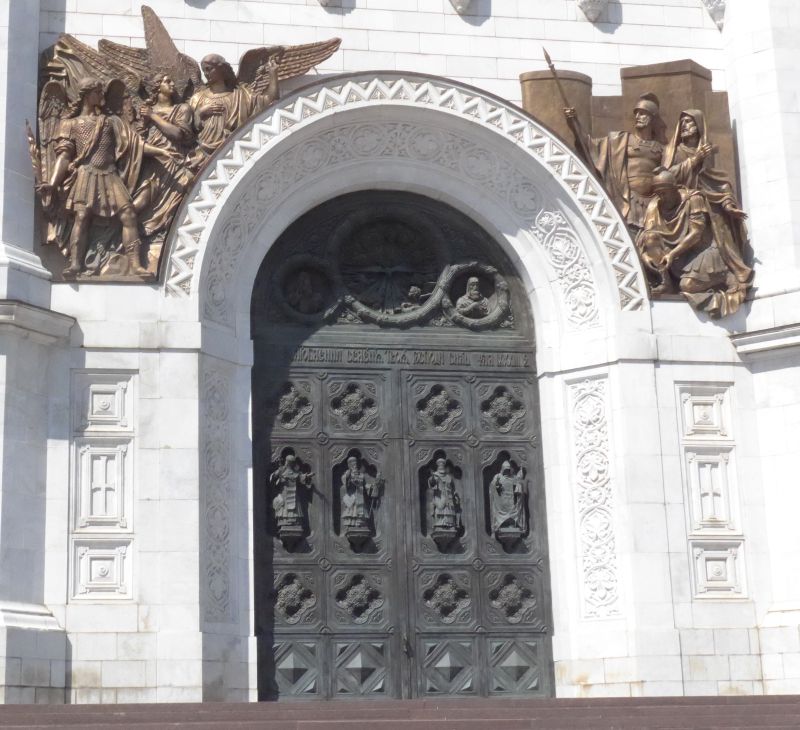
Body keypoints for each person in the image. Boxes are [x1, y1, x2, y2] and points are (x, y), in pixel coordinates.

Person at [38, 76, 171, 278]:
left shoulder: (111, 122)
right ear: (86, 95)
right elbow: (63, 156)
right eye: (98, 92)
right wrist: (52, 183)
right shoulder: (70, 124)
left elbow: (134, 145)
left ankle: (136, 265)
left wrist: (160, 151)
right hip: (86, 174)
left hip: (110, 175)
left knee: (128, 214)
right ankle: (75, 264)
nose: (102, 96)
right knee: (82, 217)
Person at [662, 109, 751, 314]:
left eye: (689, 122)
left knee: (720, 231)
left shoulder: (707, 152)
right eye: (682, 122)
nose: (685, 126)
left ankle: (728, 273)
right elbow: (668, 176)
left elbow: (719, 183)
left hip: (710, 210)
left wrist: (728, 205)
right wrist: (694, 160)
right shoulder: (675, 152)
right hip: (684, 207)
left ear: (699, 126)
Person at [637, 168, 741, 318]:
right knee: (650, 237)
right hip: (677, 256)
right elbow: (647, 234)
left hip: (702, 251)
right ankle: (666, 282)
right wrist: (645, 254)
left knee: (687, 286)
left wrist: (672, 254)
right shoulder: (655, 205)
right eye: (659, 194)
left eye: (665, 193)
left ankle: (724, 274)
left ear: (674, 188)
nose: (662, 197)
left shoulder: (693, 198)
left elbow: (696, 234)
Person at [565, 93, 664, 232]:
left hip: (653, 203)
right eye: (636, 113)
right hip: (627, 200)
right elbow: (589, 145)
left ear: (652, 118)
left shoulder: (661, 148)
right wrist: (574, 123)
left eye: (642, 113)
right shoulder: (620, 140)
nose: (637, 117)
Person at [132, 73, 195, 269]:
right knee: (136, 206)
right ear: (157, 86)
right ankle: (130, 251)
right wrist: (143, 122)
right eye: (167, 81)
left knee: (174, 211)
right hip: (152, 166)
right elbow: (137, 140)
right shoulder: (145, 111)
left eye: (172, 80)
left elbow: (178, 134)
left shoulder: (182, 109)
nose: (172, 83)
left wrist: (152, 116)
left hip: (174, 166)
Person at [188, 53, 279, 169]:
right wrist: (200, 112)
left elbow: (269, 101)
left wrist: (273, 75)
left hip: (233, 154)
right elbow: (188, 131)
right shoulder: (197, 99)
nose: (206, 74)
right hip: (202, 156)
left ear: (221, 68)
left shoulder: (241, 96)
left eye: (209, 69)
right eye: (204, 70)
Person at [270, 454, 314, 532]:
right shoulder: (281, 470)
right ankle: (284, 522)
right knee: (284, 508)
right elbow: (273, 478)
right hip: (284, 494)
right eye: (289, 462)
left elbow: (301, 477)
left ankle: (295, 522)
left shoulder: (296, 472)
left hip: (294, 494)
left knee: (295, 509)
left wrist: (308, 476)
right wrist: (278, 472)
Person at [340, 456, 383, 535]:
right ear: (349, 465)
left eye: (356, 463)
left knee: (361, 511)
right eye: (352, 463)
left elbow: (365, 485)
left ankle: (360, 525)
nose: (355, 465)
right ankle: (352, 525)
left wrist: (372, 487)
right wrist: (348, 475)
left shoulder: (361, 475)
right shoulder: (347, 474)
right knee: (352, 511)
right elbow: (344, 483)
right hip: (351, 497)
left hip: (360, 497)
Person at [489, 461, 527, 536]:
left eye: (508, 469)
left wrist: (518, 483)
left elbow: (518, 484)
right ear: (502, 469)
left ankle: (512, 524)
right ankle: (501, 525)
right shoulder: (497, 476)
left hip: (511, 501)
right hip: (501, 502)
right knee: (501, 512)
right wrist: (497, 485)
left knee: (513, 512)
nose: (507, 471)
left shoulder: (514, 477)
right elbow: (493, 486)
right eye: (505, 469)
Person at [428, 458, 461, 532]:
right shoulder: (435, 476)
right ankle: (439, 525)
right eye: (440, 465)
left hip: (449, 498)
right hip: (439, 497)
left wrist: (455, 495)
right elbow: (432, 484)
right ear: (438, 466)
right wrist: (432, 478)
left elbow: (453, 489)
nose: (441, 466)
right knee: (440, 510)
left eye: (443, 464)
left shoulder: (449, 477)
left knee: (449, 511)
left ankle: (450, 525)